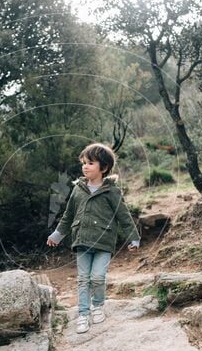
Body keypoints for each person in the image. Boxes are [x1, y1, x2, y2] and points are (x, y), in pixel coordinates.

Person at [47, 142, 140, 333]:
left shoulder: (112, 192)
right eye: (84, 162)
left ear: (103, 168)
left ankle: (97, 306)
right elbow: (68, 215)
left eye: (90, 163)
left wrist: (134, 238)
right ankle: (83, 314)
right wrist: (57, 234)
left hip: (104, 241)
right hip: (81, 239)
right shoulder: (78, 189)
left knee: (97, 277)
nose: (85, 166)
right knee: (83, 279)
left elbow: (124, 216)